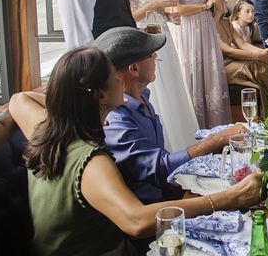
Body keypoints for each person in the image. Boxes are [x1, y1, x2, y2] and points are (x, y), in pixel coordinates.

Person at [9, 47, 262, 255]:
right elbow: (136, 221)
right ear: (99, 95)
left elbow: (18, 99)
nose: (120, 79)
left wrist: (71, 105)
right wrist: (231, 198)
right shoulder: (92, 162)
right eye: (113, 76)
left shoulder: (43, 128)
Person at [95, 27, 248, 204]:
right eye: (151, 54)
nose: (155, 58)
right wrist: (214, 141)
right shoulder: (116, 119)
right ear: (134, 68)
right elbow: (158, 168)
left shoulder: (142, 96)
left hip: (167, 192)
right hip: (152, 208)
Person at [116, 0, 199, 150]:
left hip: (164, 39)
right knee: (159, 92)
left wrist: (168, 14)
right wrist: (155, 4)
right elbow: (126, 17)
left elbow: (162, 7)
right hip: (144, 42)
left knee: (174, 91)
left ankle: (185, 147)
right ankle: (166, 150)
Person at [163, 0, 231, 128]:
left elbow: (219, 8)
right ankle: (190, 131)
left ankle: (214, 131)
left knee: (209, 80)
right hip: (183, 33)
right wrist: (203, 6)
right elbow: (173, 9)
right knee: (188, 78)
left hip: (206, 32)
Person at [214, 0, 268, 118]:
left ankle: (266, 117)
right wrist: (258, 56)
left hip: (233, 62)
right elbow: (229, 51)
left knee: (261, 80)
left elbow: (242, 44)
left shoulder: (226, 22)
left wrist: (265, 52)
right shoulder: (211, 25)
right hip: (222, 66)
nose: (225, 2)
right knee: (256, 65)